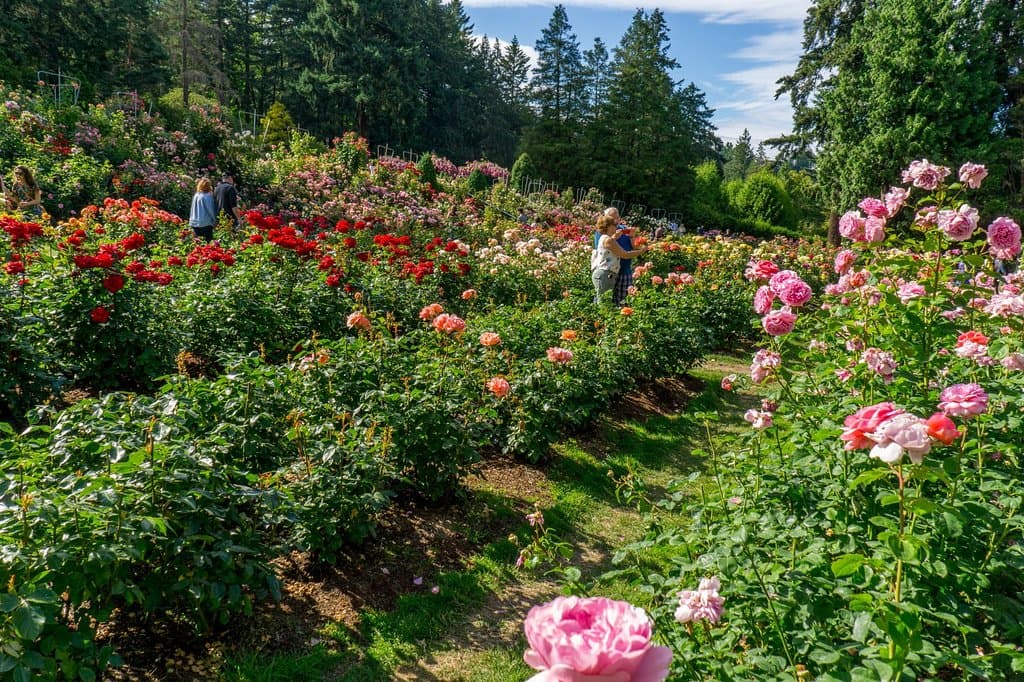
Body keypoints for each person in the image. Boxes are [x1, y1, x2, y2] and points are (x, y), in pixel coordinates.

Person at [591, 214, 648, 304]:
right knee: (603, 303)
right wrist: (642, 251)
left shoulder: (606, 238)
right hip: (605, 274)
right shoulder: (608, 240)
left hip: (605, 274)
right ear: (608, 226)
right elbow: (625, 254)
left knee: (602, 301)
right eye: (614, 225)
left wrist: (615, 237)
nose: (617, 227)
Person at [603, 207, 636, 305]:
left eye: (617, 218)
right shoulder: (603, 231)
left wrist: (632, 236)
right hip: (609, 271)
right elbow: (622, 254)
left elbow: (634, 247)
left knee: (623, 302)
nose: (615, 221)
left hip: (624, 270)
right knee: (605, 301)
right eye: (612, 218)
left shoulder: (624, 229)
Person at [188, 177, 217, 242]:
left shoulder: (196, 195)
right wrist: (215, 220)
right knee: (208, 243)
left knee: (197, 243)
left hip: (194, 222)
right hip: (205, 223)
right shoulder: (207, 196)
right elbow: (211, 210)